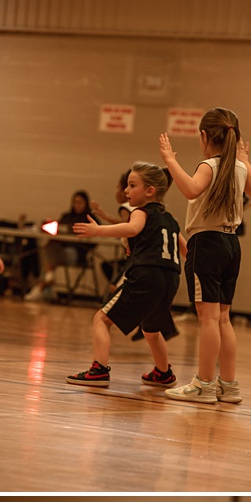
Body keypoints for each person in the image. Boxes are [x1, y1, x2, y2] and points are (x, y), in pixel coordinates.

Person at [158, 107, 251, 404]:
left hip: (207, 243)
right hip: (232, 245)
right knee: (222, 319)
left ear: (204, 136)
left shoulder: (208, 165)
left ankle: (204, 384)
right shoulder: (239, 168)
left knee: (207, 318)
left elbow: (191, 190)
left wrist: (170, 160)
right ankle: (228, 386)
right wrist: (245, 160)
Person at [66, 162, 185, 389]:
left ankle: (99, 370)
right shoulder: (171, 220)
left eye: (132, 185)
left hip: (147, 275)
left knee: (101, 319)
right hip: (170, 280)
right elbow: (186, 250)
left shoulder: (140, 212)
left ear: (150, 191)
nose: (127, 191)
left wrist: (98, 231)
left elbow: (132, 229)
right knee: (151, 329)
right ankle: (163, 373)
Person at [24, 190, 98, 301]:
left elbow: (96, 238)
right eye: (75, 202)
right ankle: (48, 280)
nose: (77, 205)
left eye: (80, 202)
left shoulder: (90, 219)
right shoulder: (67, 216)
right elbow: (58, 229)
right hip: (60, 248)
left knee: (53, 255)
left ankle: (43, 285)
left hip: (78, 252)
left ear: (85, 203)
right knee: (49, 246)